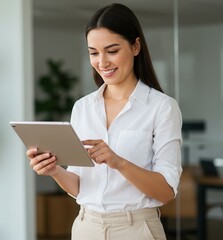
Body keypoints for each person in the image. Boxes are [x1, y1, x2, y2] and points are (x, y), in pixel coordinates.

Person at [27, 3, 182, 240]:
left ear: (136, 46)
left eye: (112, 51)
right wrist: (54, 170)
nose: (102, 62)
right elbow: (79, 186)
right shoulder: (83, 108)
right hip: (86, 227)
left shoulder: (162, 108)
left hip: (136, 229)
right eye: (93, 52)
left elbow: (166, 192)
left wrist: (118, 162)